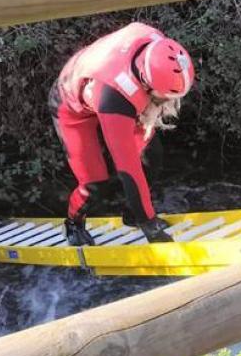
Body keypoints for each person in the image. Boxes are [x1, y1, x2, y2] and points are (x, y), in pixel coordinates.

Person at [49, 22, 195, 246]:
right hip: (71, 105)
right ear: (147, 83)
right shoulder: (115, 98)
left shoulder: (158, 43)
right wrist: (151, 227)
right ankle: (73, 223)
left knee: (151, 156)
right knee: (94, 183)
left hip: (103, 75)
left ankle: (131, 215)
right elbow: (128, 168)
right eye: (164, 98)